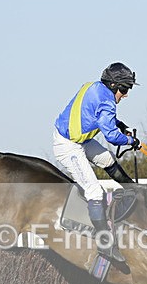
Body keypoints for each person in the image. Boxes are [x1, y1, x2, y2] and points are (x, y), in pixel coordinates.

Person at [53, 62, 141, 261]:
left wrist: (119, 124)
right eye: (124, 89)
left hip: (80, 139)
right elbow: (111, 136)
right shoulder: (107, 102)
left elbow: (97, 116)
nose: (125, 94)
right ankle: (105, 244)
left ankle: (133, 189)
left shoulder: (94, 87)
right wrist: (130, 140)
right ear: (112, 85)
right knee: (95, 191)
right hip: (68, 145)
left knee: (108, 159)